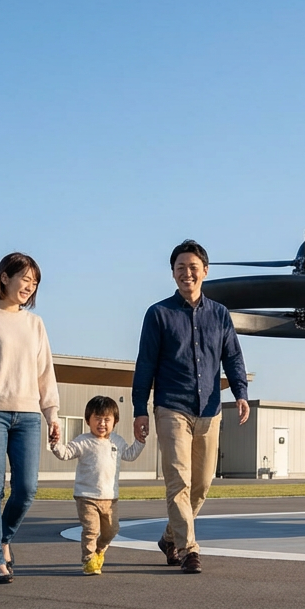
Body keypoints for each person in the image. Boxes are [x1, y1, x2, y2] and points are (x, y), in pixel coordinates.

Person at [133, 239, 249, 574]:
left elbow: (233, 357)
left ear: (205, 272)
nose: (187, 273)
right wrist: (140, 407)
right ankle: (188, 549)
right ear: (173, 273)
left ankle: (170, 537)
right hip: (172, 407)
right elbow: (145, 364)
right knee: (178, 482)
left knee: (201, 484)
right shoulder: (159, 314)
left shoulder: (220, 314)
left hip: (210, 409)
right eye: (180, 268)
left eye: (193, 267)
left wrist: (240, 392)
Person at [0, 252, 62, 584]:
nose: (29, 287)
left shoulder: (35, 323)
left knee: (27, 488)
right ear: (5, 277)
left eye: (34, 283)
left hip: (30, 415)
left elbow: (45, 371)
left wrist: (52, 414)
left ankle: (2, 538)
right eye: (25, 279)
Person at [50, 395, 145, 575]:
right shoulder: (83, 441)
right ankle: (88, 560)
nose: (102, 423)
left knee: (112, 530)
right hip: (86, 496)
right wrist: (55, 444)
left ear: (114, 422)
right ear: (88, 420)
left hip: (110, 498)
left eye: (107, 419)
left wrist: (139, 441)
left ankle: (99, 550)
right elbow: (65, 453)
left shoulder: (116, 441)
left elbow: (130, 455)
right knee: (91, 529)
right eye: (97, 419)